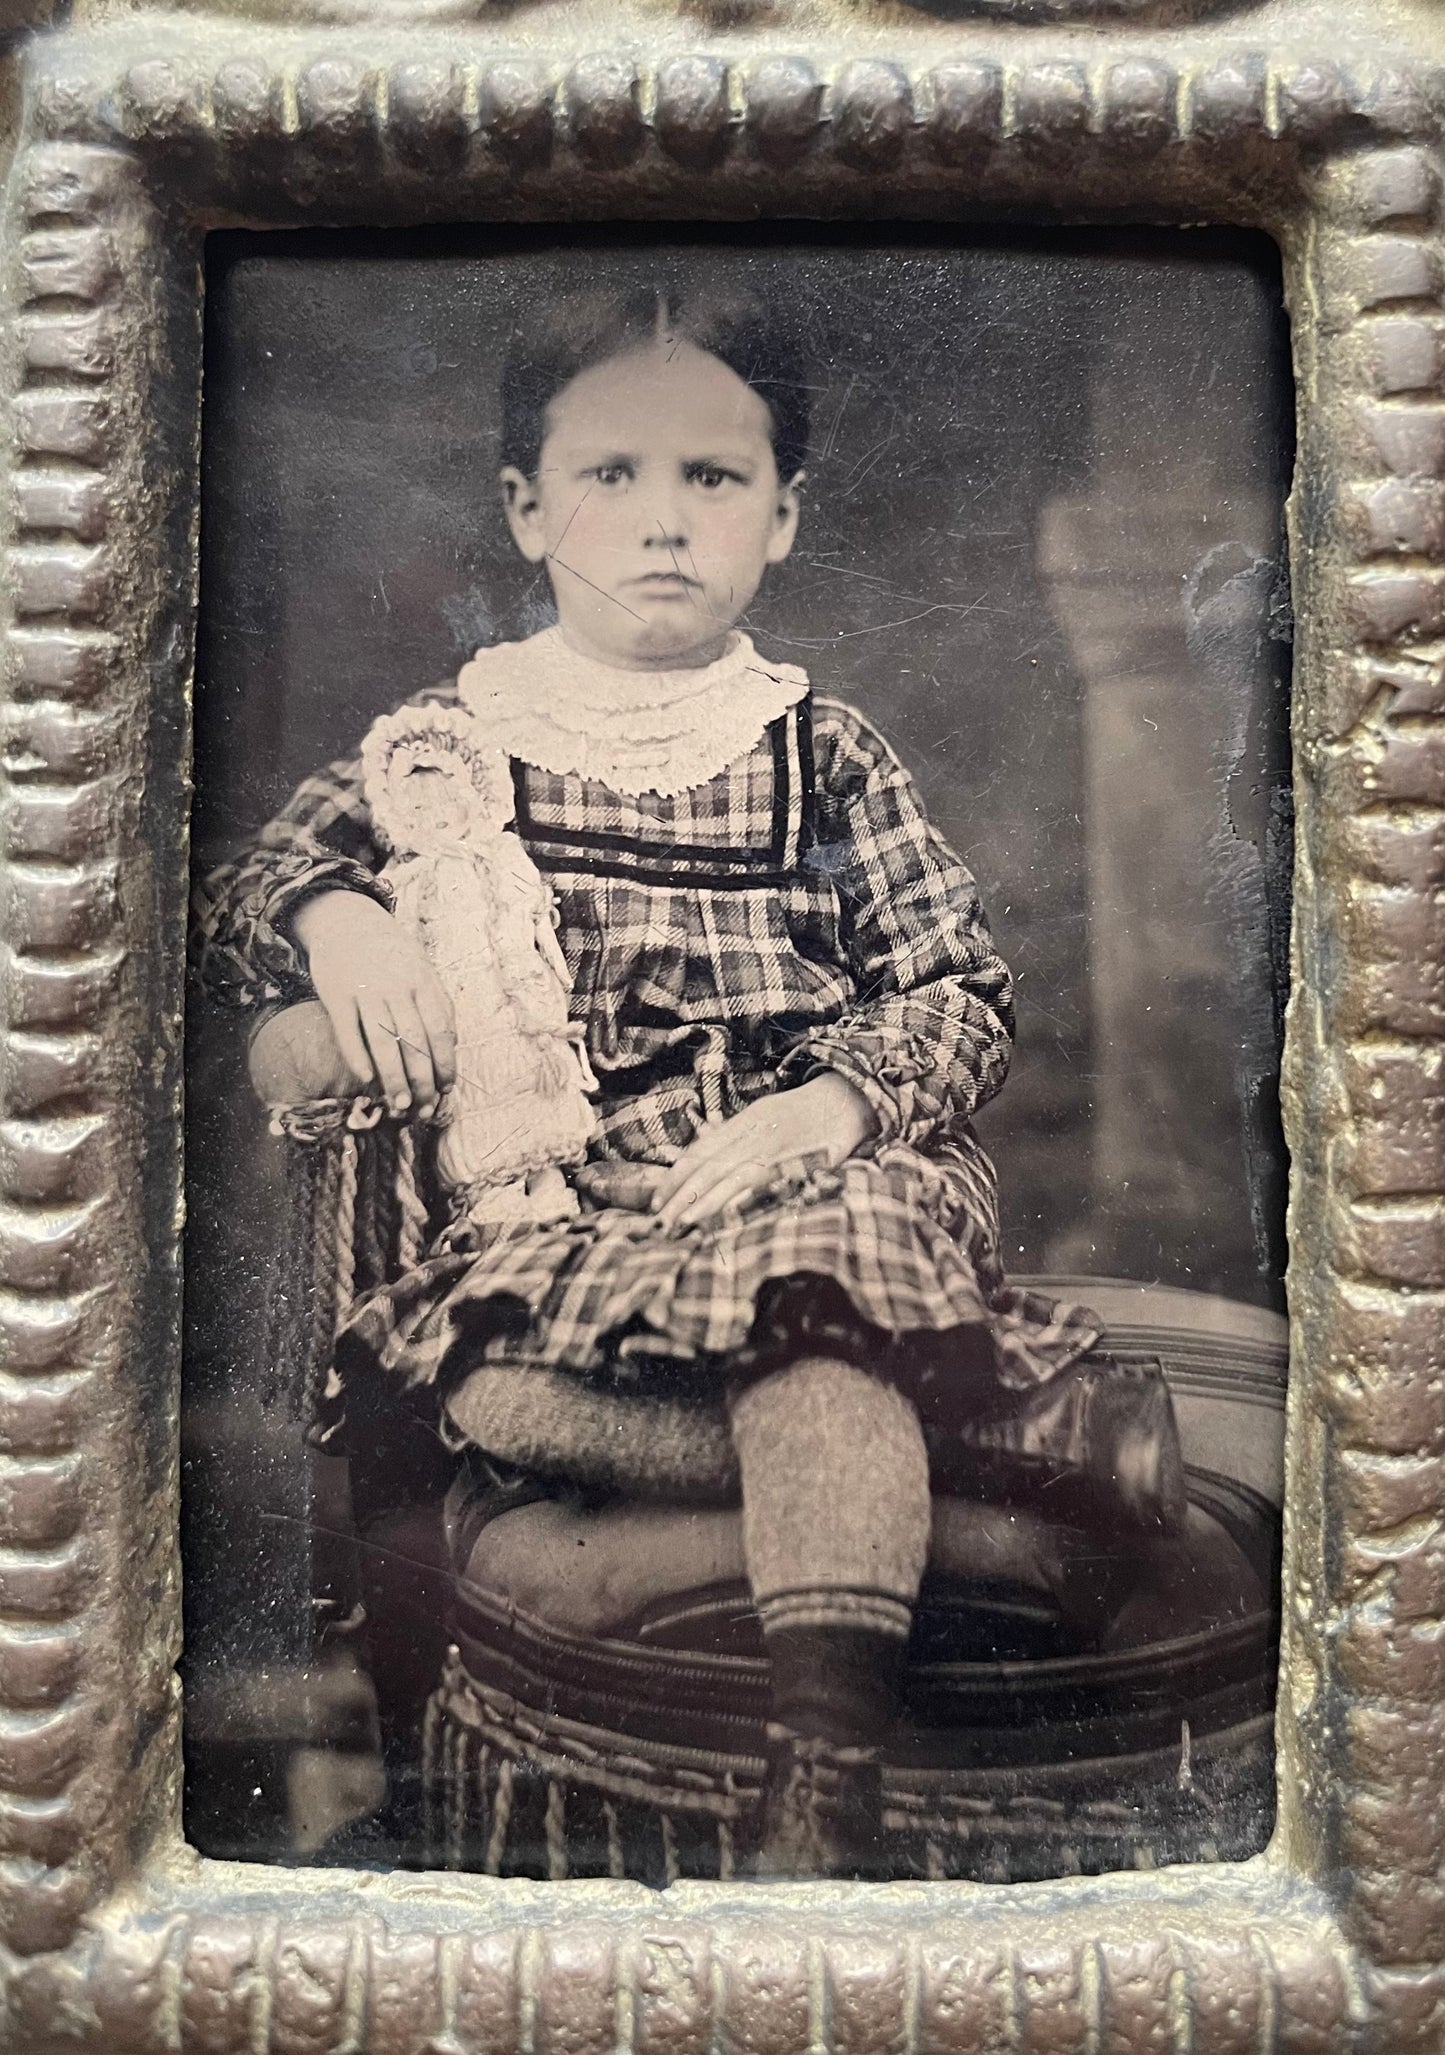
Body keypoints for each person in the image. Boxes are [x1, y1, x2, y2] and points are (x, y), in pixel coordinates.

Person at [193, 285, 1180, 1877]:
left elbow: (956, 990)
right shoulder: (448, 745)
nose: (662, 523)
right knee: (483, 1387)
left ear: (782, 520)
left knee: (815, 1316)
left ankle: (821, 1780)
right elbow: (239, 881)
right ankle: (1022, 1453)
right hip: (571, 1214)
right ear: (526, 507)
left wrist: (823, 1108)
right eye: (612, 475)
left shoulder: (818, 751)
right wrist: (337, 917)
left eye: (712, 481)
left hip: (800, 1180)